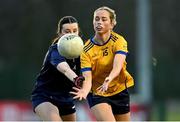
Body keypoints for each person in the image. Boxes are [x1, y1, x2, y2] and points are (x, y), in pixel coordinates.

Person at [70, 6, 134, 121]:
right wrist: (85, 90)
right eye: (97, 19)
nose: (99, 22)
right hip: (97, 92)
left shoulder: (119, 41)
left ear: (112, 23)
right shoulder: (86, 49)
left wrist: (109, 78)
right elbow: (87, 77)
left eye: (104, 19)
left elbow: (118, 65)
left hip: (119, 90)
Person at [31, 16, 85, 121]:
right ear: (60, 33)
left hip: (66, 99)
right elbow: (64, 68)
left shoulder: (84, 51)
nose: (71, 35)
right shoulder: (55, 50)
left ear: (79, 32)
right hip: (45, 97)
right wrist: (76, 79)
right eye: (67, 31)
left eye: (75, 31)